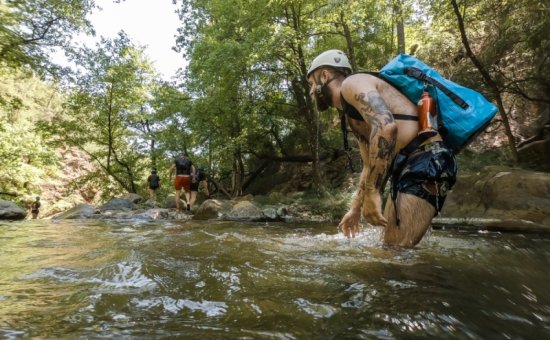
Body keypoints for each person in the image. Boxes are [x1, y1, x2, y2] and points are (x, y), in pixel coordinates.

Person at [306, 49, 457, 247]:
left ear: (324, 75)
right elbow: (368, 166)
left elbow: (386, 127)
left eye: (311, 84)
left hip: (427, 160)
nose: (310, 92)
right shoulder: (352, 115)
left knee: (394, 254)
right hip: (409, 168)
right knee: (390, 248)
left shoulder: (352, 84)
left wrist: (372, 192)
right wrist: (355, 208)